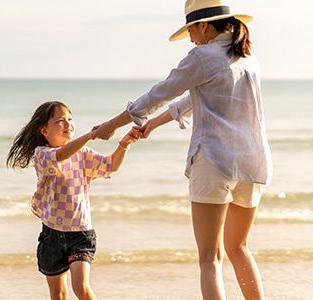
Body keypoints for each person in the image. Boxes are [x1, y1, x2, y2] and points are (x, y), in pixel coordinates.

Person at [92, 0, 272, 299]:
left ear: (203, 25)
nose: (190, 38)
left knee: (209, 259)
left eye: (191, 29)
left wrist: (113, 124)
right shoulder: (246, 59)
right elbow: (193, 99)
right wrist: (153, 125)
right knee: (238, 248)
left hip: (214, 160)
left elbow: (159, 94)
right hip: (253, 163)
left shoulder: (202, 56)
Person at [7, 101, 140, 300]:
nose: (68, 123)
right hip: (52, 235)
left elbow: (110, 166)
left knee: (81, 287)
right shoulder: (41, 155)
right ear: (44, 130)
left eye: (70, 119)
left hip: (81, 233)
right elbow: (60, 155)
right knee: (59, 294)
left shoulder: (83, 154)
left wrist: (124, 144)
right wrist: (90, 135)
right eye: (60, 121)